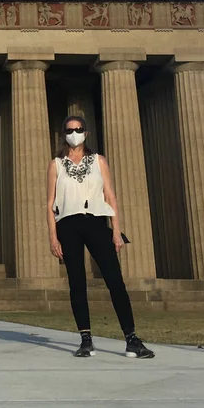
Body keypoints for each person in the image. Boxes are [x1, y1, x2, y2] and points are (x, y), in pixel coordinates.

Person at [46, 116, 154, 359]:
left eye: (79, 129)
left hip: (96, 221)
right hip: (67, 225)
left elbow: (110, 196)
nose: (74, 133)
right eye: (70, 130)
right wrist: (53, 237)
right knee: (77, 283)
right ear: (64, 133)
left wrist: (116, 231)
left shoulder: (98, 161)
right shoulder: (56, 164)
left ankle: (132, 339)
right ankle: (86, 339)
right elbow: (49, 203)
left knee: (115, 281)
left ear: (86, 131)